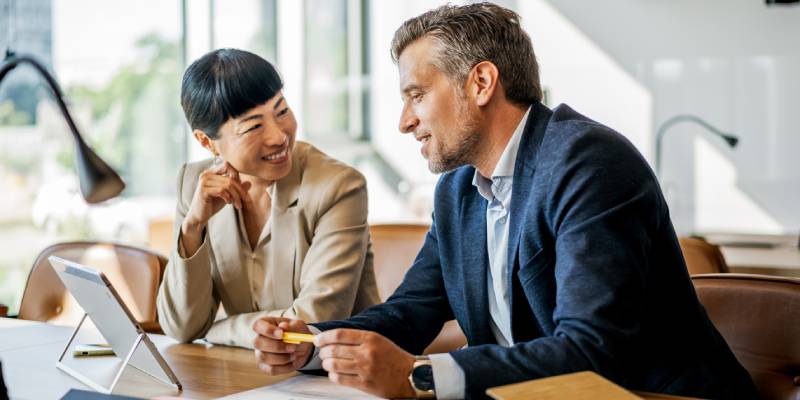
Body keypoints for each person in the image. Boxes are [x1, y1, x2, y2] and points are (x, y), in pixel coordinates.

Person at [250, 4, 759, 399]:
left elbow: (593, 350)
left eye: (416, 95)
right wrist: (311, 343)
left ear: (481, 83)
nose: (404, 121)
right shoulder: (459, 189)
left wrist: (418, 376)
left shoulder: (588, 163)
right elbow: (410, 314)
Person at [156, 49, 379, 349]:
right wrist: (193, 227)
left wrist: (217, 330)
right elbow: (181, 327)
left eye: (282, 111)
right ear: (207, 142)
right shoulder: (194, 186)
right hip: (246, 376)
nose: (279, 136)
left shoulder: (338, 186)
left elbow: (312, 323)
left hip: (334, 377)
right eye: (253, 126)